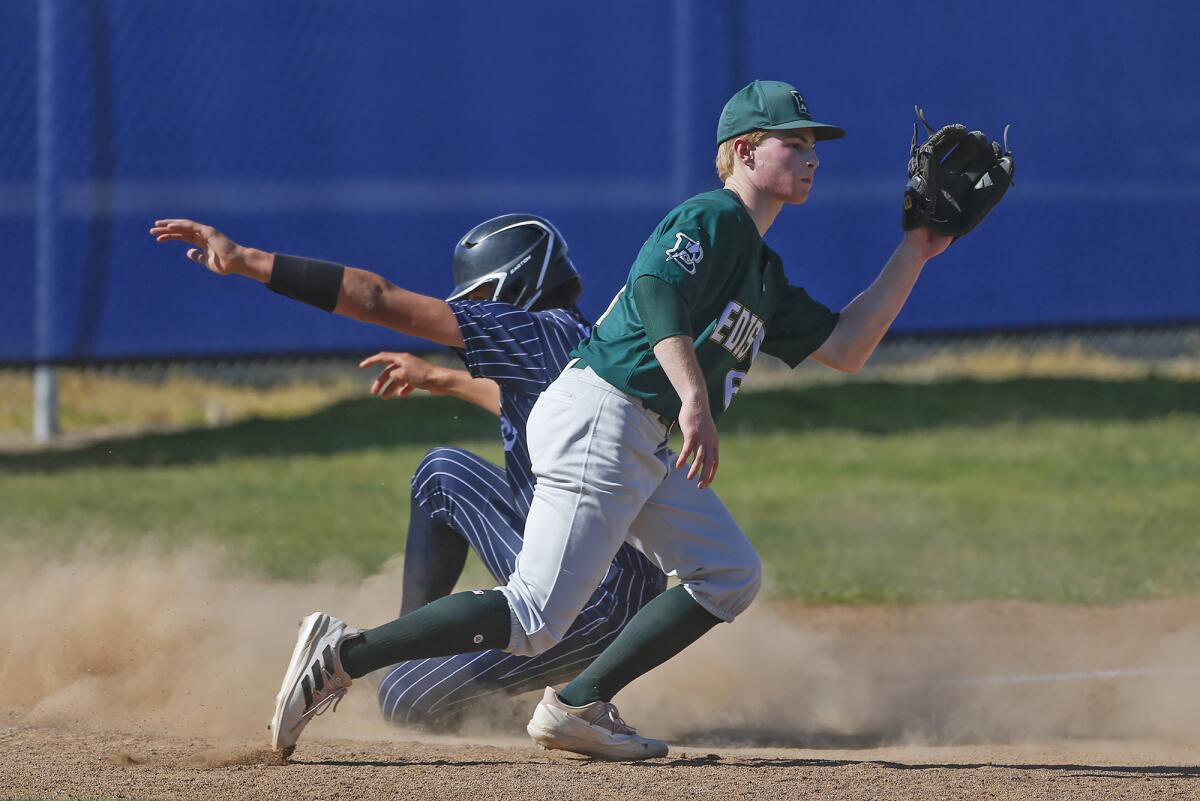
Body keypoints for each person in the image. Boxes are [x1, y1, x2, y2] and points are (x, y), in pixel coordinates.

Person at [261, 79, 959, 761]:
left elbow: (846, 344)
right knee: (534, 617)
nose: (813, 157)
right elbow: (656, 285)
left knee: (728, 572)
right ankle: (343, 653)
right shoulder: (712, 217)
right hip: (607, 410)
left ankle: (577, 703)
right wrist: (693, 395)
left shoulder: (763, 270)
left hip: (640, 432)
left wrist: (918, 247)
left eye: (815, 145)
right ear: (745, 151)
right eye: (795, 142)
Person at [148, 213, 666, 731]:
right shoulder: (568, 338)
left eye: (481, 294)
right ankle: (412, 649)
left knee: (403, 703)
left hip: (600, 599)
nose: (470, 309)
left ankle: (423, 679)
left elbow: (376, 297)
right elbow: (538, 407)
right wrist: (442, 379)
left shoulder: (532, 333)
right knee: (442, 472)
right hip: (602, 569)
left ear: (522, 281)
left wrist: (247, 261)